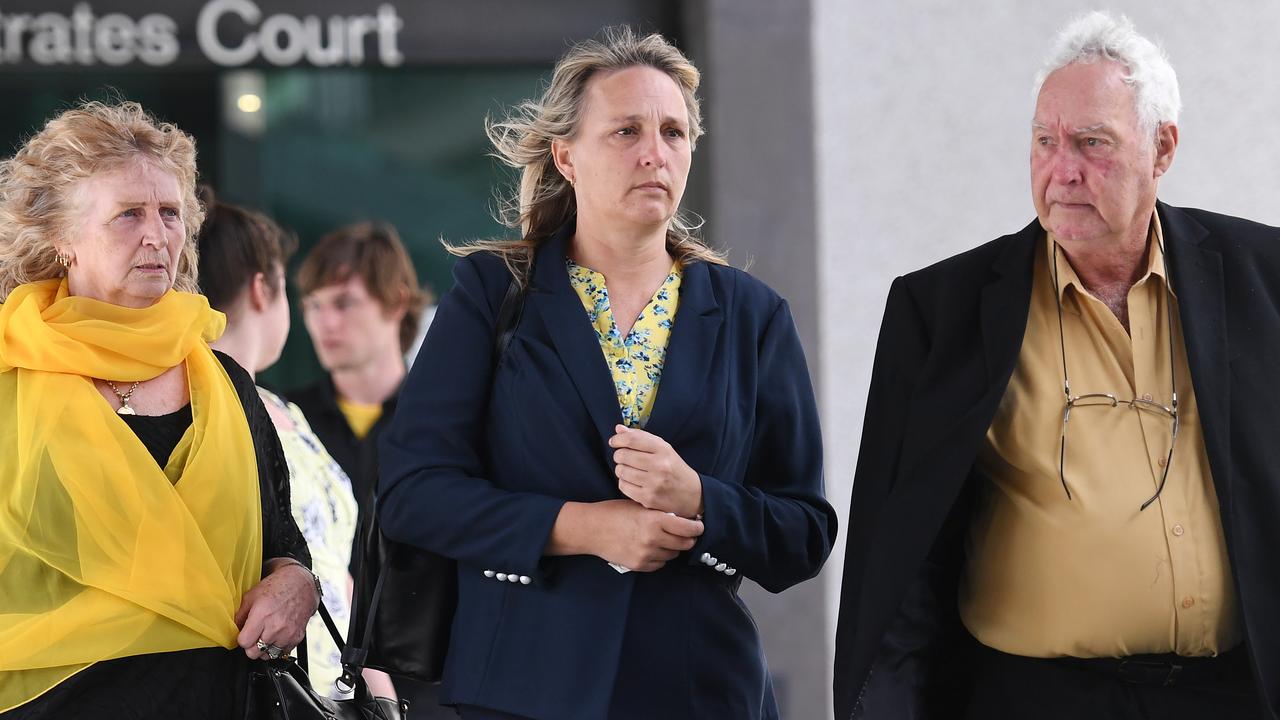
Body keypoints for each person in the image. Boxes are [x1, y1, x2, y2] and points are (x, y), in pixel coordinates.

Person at [378, 27, 837, 720]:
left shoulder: (753, 316)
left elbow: (804, 531)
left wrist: (700, 499)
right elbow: (414, 493)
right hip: (522, 692)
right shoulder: (494, 294)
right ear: (566, 155)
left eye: (674, 132)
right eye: (626, 131)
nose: (655, 153)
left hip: (701, 693)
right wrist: (584, 527)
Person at [833, 12, 1280, 720]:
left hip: (1229, 696)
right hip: (1030, 700)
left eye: (1092, 143)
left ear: (1162, 149)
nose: (1062, 170)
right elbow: (898, 564)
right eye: (1045, 142)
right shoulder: (941, 311)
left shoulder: (1265, 277)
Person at [0, 101, 318, 718]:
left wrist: (296, 583)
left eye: (170, 213)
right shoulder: (10, 376)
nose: (157, 235)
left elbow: (280, 537)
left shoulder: (223, 380)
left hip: (220, 700)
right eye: (128, 215)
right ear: (62, 238)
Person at [194, 188, 397, 701]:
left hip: (333, 689)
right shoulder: (200, 409)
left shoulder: (281, 411)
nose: (325, 323)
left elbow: (336, 573)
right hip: (266, 691)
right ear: (264, 289)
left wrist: (377, 687)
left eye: (344, 304)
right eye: (307, 301)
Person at [291, 222, 428, 529]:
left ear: (397, 302)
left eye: (344, 303)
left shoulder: (441, 421)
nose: (325, 322)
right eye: (313, 305)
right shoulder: (285, 419)